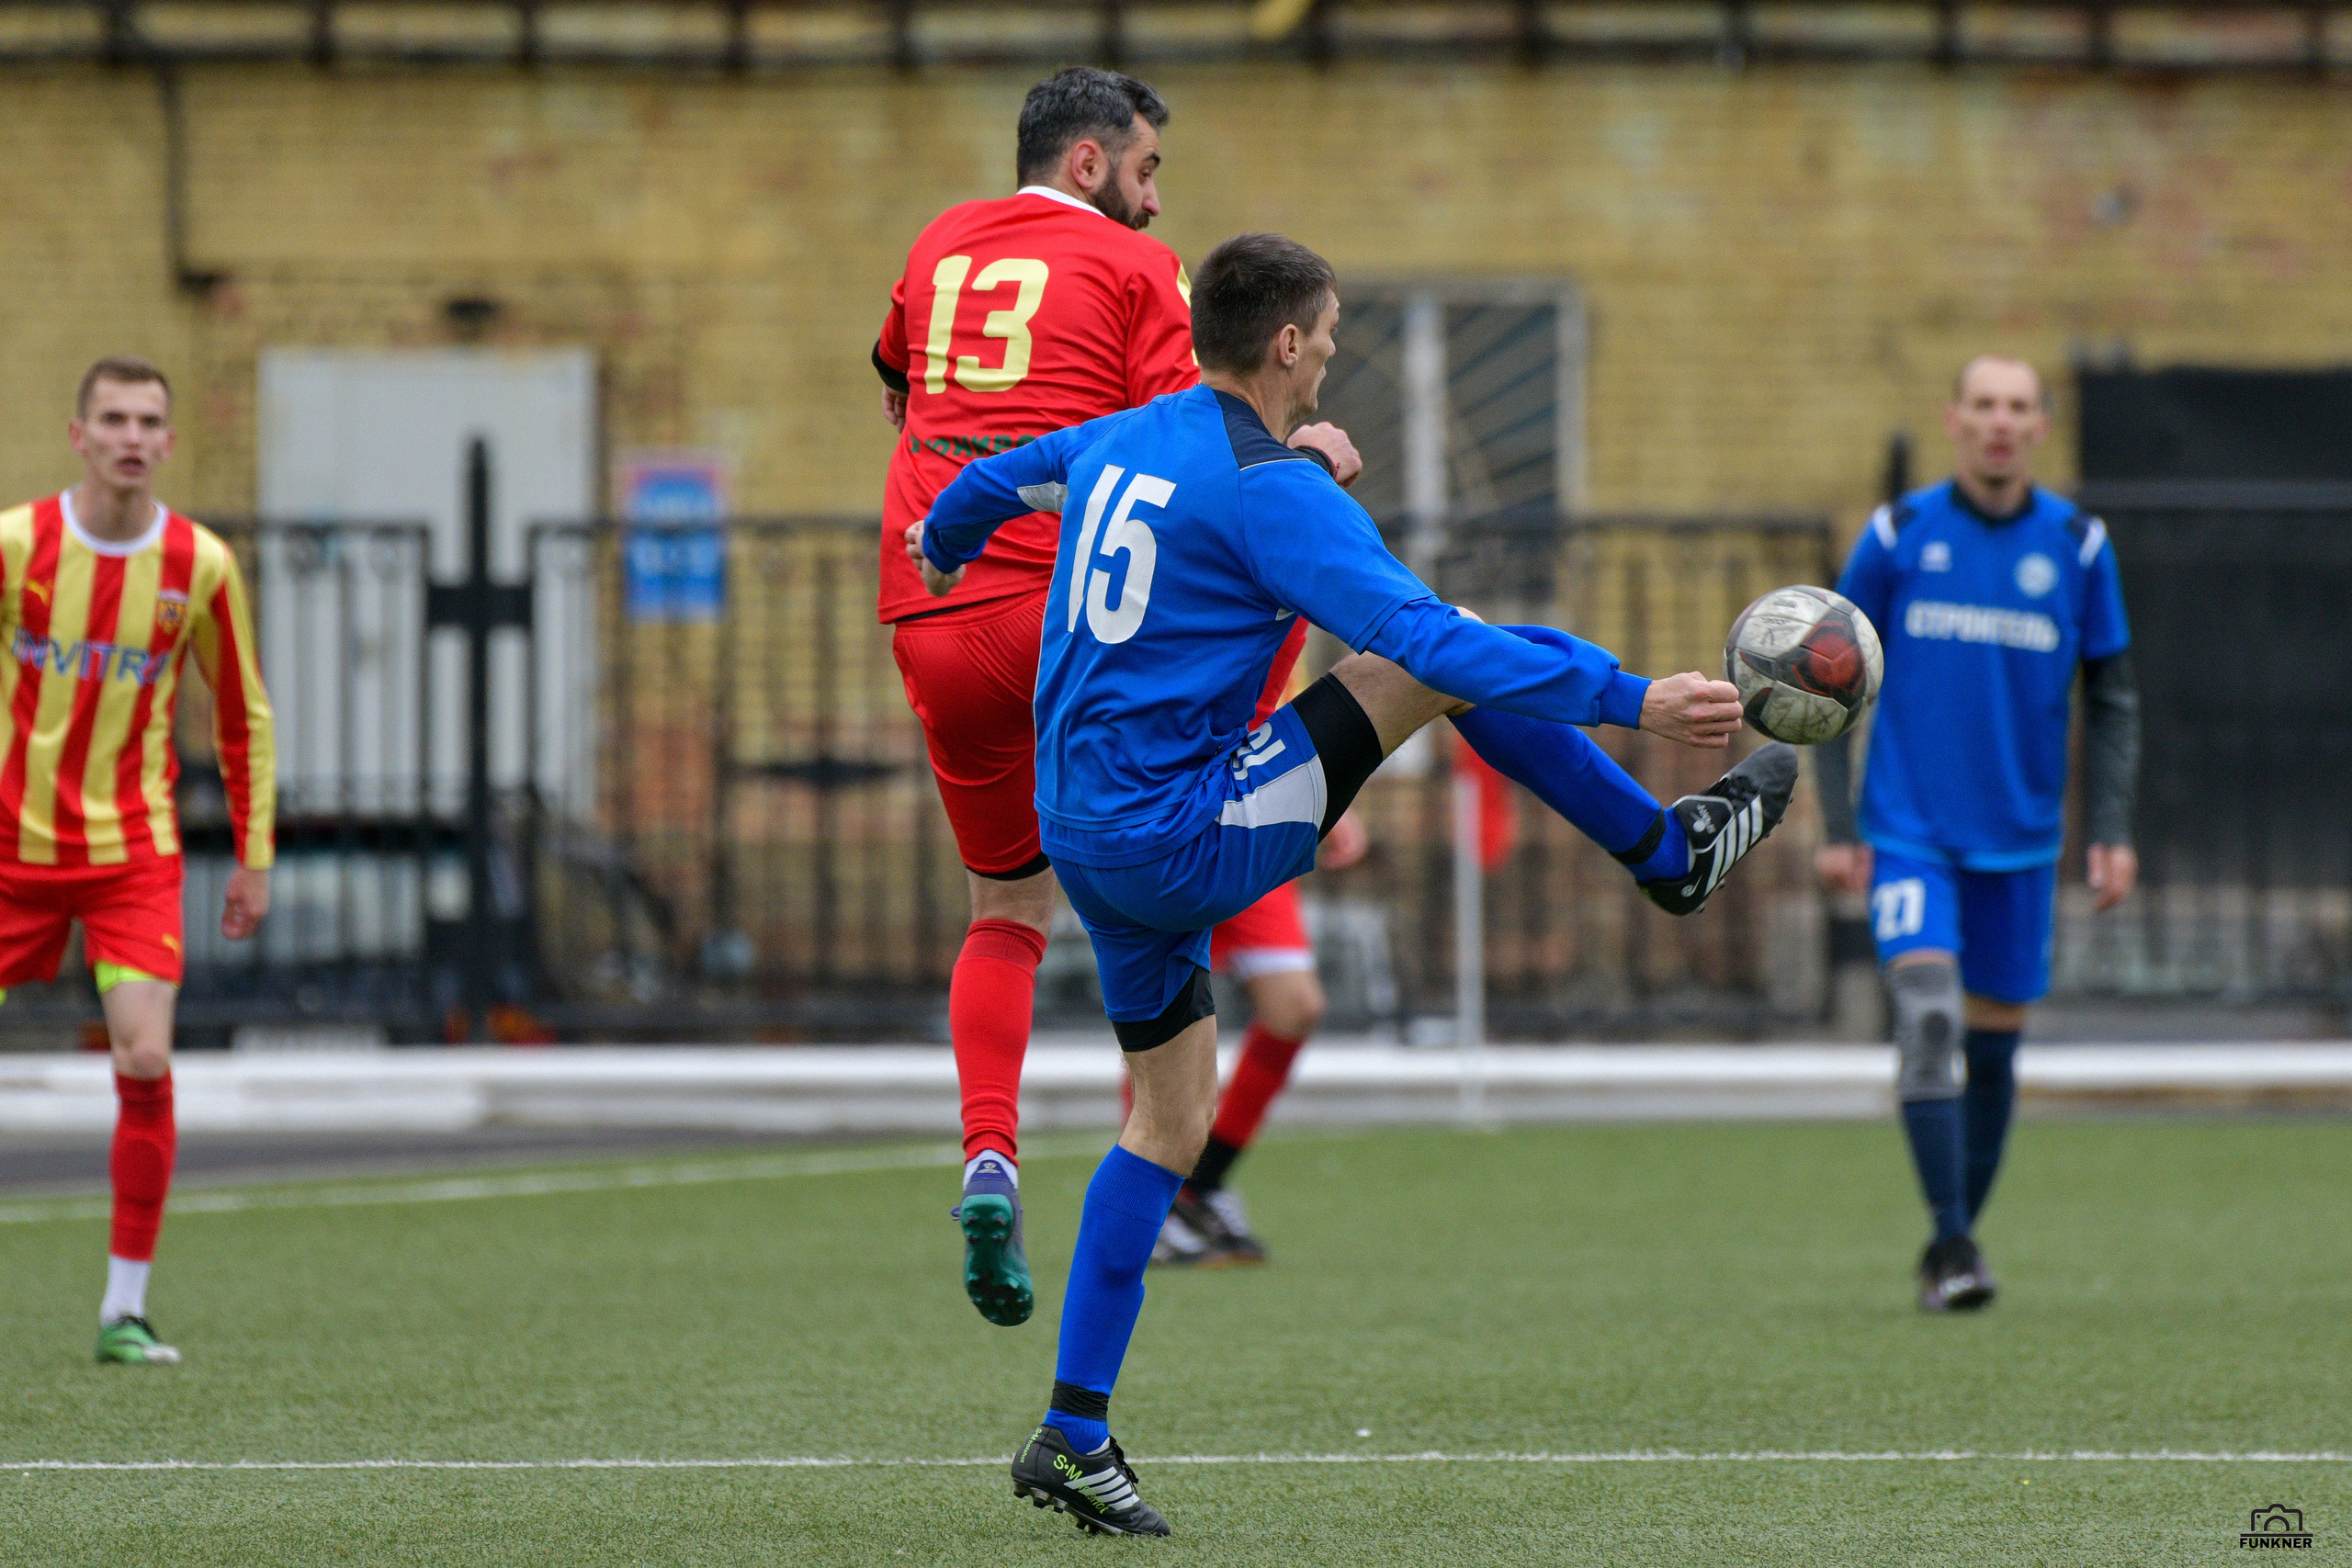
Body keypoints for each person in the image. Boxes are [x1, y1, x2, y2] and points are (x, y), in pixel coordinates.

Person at [911, 233, 1796, 1535]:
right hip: (1181, 832)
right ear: (1284, 343)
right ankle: (1668, 853)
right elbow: (1432, 638)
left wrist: (940, 542)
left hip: (1084, 836)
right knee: (1433, 665)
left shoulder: (1119, 438)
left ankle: (1073, 1430)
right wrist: (1632, 695)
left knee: (1166, 1122)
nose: (1332, 350)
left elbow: (989, 486)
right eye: (1324, 332)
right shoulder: (1274, 491)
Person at [868, 67, 1365, 1329]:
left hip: (930, 602)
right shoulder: (1146, 274)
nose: (1155, 199)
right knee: (1252, 590)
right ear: (1090, 163)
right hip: (1071, 614)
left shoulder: (936, 243)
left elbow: (898, 388)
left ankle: (989, 1153)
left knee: (1003, 912)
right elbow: (1198, 440)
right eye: (1147, 170)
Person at [1814, 355, 2138, 1314]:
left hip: (2023, 841)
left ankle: (1949, 1238)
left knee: (1993, 1056)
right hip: (1910, 831)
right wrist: (1838, 824)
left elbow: (2113, 697)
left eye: (2018, 408)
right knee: (1926, 1017)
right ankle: (1955, 1244)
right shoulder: (1898, 533)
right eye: (1984, 405)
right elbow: (1821, 681)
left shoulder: (2077, 547)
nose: (1999, 422)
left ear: (2040, 427)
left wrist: (2111, 829)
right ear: (1955, 418)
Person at [0, 356, 276, 1364]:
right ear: (77, 434)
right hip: (9, 850)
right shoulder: (15, 546)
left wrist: (254, 854)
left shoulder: (199, 564)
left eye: (147, 420)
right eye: (111, 417)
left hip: (132, 853)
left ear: (166, 441)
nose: (129, 434)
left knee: (146, 1058)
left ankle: (124, 1310)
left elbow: (242, 715)